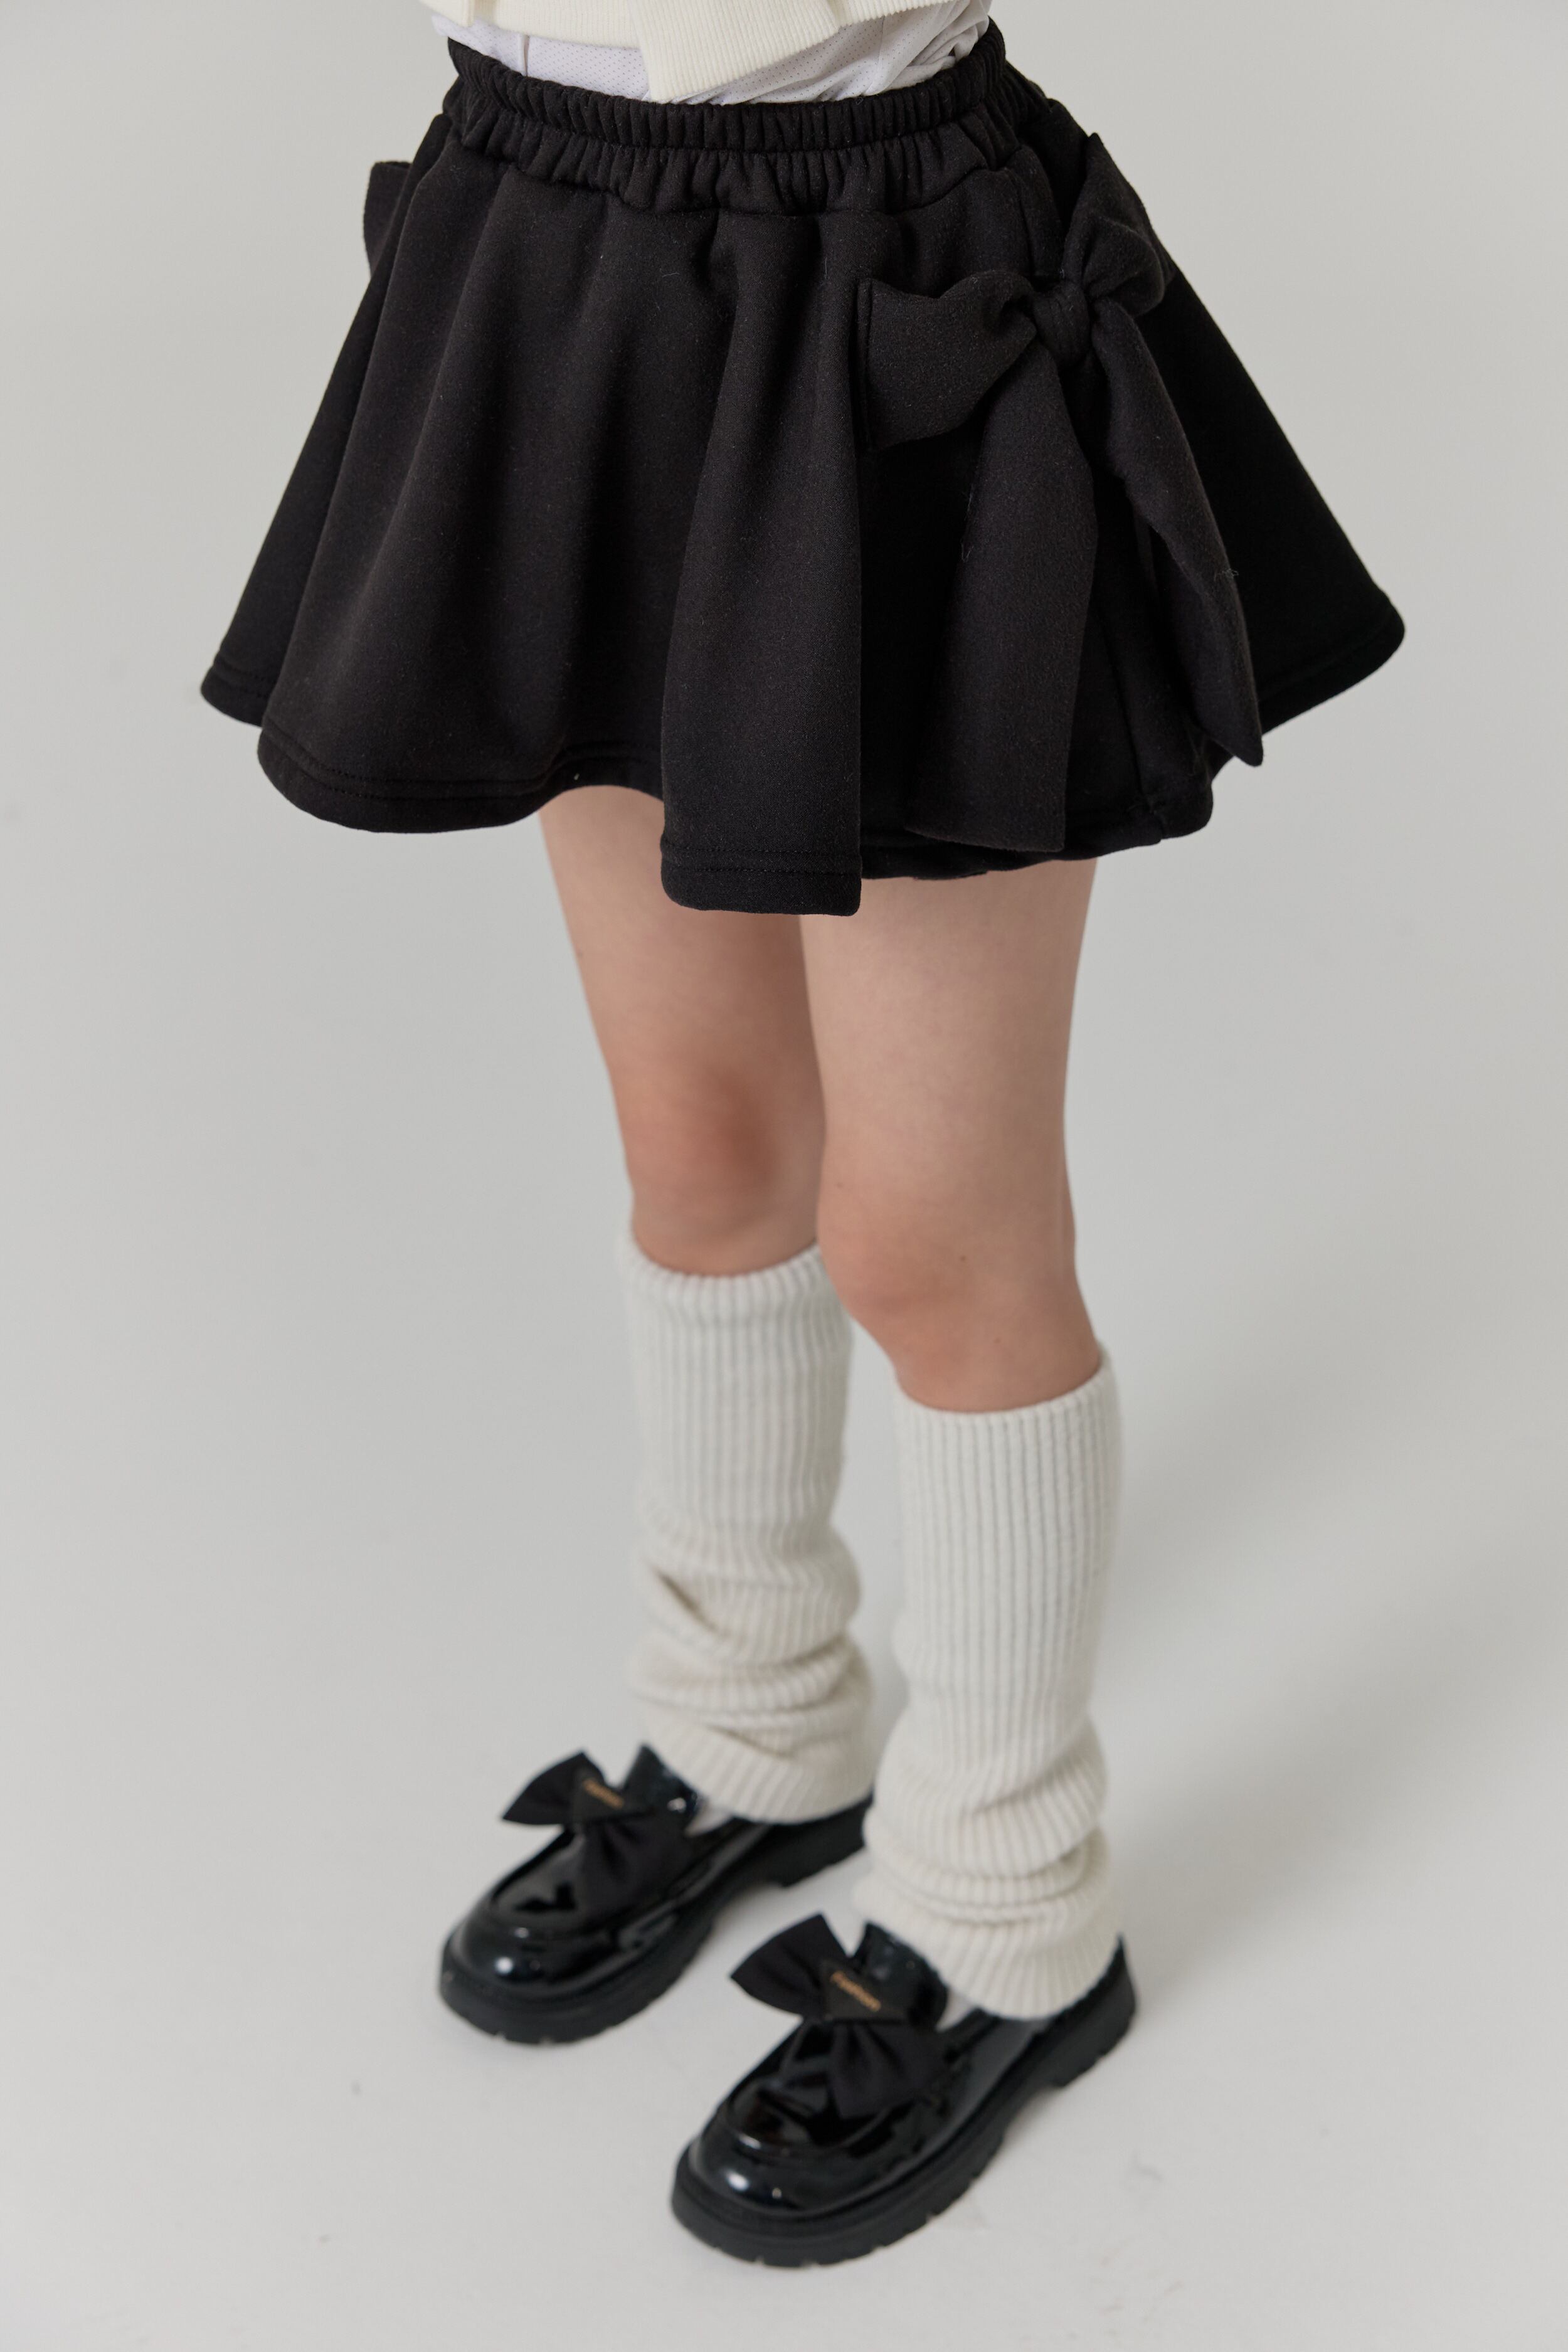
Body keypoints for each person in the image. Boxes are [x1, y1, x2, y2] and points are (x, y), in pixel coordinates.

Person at [201, 0, 1403, 2265]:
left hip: (881, 261)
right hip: (546, 222)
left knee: (934, 1232)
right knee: (697, 1142)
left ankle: (1010, 1900)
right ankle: (753, 1712)